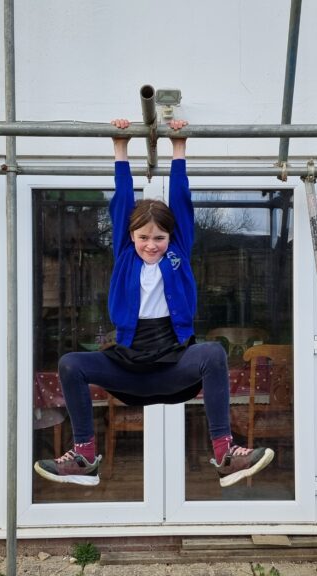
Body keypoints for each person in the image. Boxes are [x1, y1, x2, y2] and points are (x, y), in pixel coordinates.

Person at [33, 118, 275, 488]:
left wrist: (179, 149)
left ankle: (225, 453)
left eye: (159, 237)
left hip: (173, 362)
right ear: (131, 236)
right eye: (144, 237)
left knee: (212, 354)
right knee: (70, 364)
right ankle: (84, 455)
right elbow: (123, 199)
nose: (151, 244)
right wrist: (120, 148)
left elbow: (181, 199)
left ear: (170, 237)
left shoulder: (178, 252)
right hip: (129, 365)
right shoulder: (125, 255)